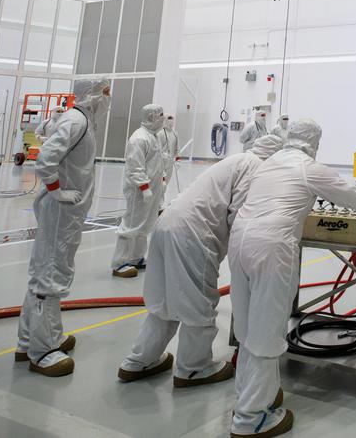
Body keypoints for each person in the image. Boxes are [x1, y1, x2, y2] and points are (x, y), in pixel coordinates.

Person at [228, 119, 356, 437]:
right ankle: (251, 419)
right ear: (313, 141)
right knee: (266, 332)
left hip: (239, 241)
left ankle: (252, 396)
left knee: (247, 328)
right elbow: (352, 196)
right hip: (271, 247)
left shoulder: (270, 162)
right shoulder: (307, 166)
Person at [117, 133, 285, 388]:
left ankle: (139, 361)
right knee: (198, 304)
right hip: (194, 236)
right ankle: (194, 368)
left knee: (164, 302)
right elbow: (239, 216)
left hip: (167, 226)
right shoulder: (257, 169)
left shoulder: (237, 160)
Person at [15, 75, 111, 377]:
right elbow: (45, 159)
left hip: (65, 211)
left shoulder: (80, 119)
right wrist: (57, 190)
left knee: (45, 270)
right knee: (52, 273)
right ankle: (42, 351)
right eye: (106, 92)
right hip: (61, 210)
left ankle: (31, 339)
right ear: (93, 94)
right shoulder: (76, 121)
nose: (109, 98)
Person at [112, 104, 168, 278]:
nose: (163, 119)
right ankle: (119, 263)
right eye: (160, 115)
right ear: (151, 117)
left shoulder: (154, 136)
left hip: (152, 189)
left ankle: (136, 258)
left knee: (144, 225)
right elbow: (135, 167)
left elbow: (157, 162)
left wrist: (162, 180)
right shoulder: (139, 138)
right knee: (130, 226)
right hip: (139, 191)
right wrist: (144, 187)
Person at [157, 114, 180, 207]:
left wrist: (178, 160)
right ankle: (157, 203)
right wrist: (162, 155)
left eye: (172, 119)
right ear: (165, 120)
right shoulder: (160, 133)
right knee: (160, 184)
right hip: (161, 162)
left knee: (165, 184)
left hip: (170, 163)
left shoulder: (174, 134)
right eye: (169, 119)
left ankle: (160, 204)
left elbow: (177, 148)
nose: (171, 121)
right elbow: (157, 149)